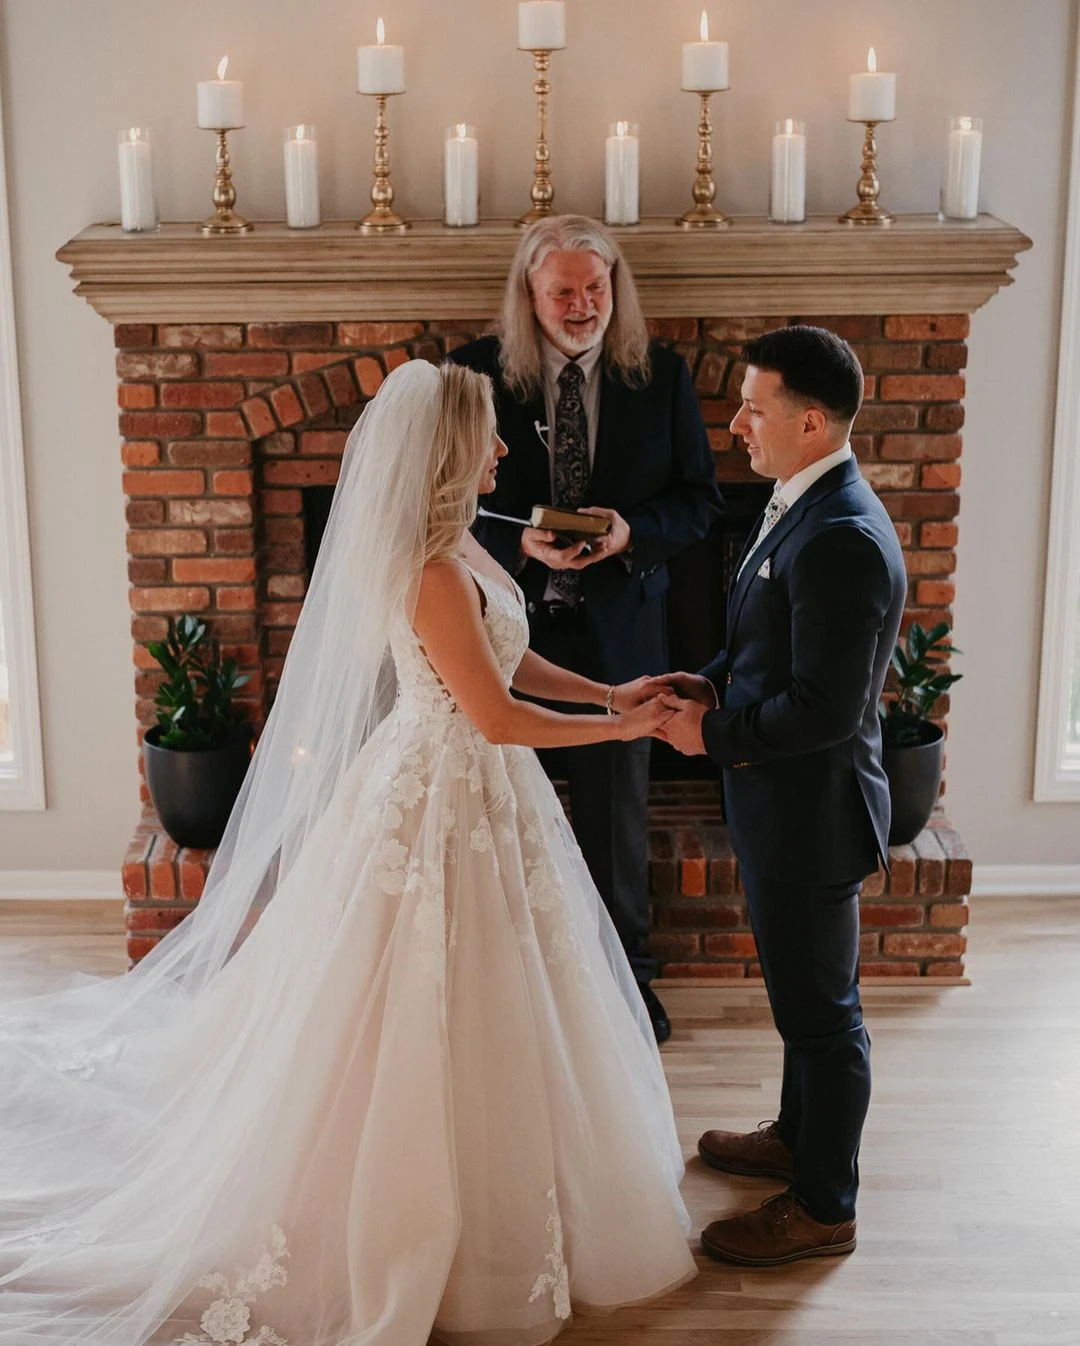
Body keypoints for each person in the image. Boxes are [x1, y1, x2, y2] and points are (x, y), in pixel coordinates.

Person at [0, 361, 697, 1345]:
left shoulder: (469, 547)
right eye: (492, 434)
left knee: (514, 992)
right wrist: (631, 736)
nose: (506, 448)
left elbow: (509, 655)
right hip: (436, 794)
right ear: (453, 448)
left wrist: (611, 694)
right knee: (410, 1006)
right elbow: (493, 715)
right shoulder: (427, 567)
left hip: (485, 799)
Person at [655, 325, 907, 1266]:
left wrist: (706, 736)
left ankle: (825, 1205)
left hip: (812, 812)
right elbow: (767, 640)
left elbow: (823, 710)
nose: (738, 423)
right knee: (801, 999)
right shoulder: (801, 498)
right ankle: (798, 1139)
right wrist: (709, 682)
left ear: (809, 420)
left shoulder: (841, 534)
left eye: (754, 409)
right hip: (779, 804)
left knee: (824, 1015)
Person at [450, 215, 721, 1044]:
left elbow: (701, 503)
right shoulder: (473, 374)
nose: (581, 305)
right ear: (528, 296)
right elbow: (444, 500)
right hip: (503, 621)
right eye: (562, 290)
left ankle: (626, 984)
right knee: (499, 816)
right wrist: (515, 542)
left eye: (595, 288)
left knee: (615, 820)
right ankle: (510, 987)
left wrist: (628, 533)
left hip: (620, 628)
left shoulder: (661, 375)